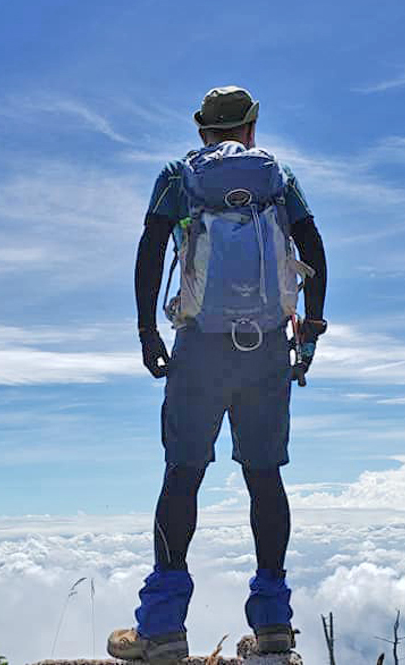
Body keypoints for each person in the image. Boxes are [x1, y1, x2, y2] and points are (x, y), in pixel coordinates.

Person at [107, 86, 328, 664]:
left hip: (200, 348)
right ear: (252, 127)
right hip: (265, 350)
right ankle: (274, 625)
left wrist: (146, 331)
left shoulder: (179, 176)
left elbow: (151, 249)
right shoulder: (279, 177)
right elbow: (314, 248)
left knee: (182, 475)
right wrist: (310, 327)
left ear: (203, 129)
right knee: (264, 477)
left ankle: (161, 629)